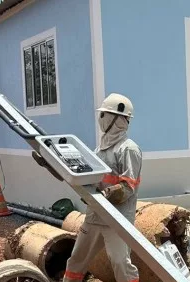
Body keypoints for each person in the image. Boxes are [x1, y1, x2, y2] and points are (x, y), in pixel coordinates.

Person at [62, 93, 141, 282]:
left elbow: (128, 187)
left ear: (118, 119)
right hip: (94, 216)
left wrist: (106, 194)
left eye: (104, 114)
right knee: (76, 260)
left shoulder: (128, 149)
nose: (100, 119)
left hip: (116, 220)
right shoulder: (99, 149)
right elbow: (88, 177)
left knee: (121, 263)